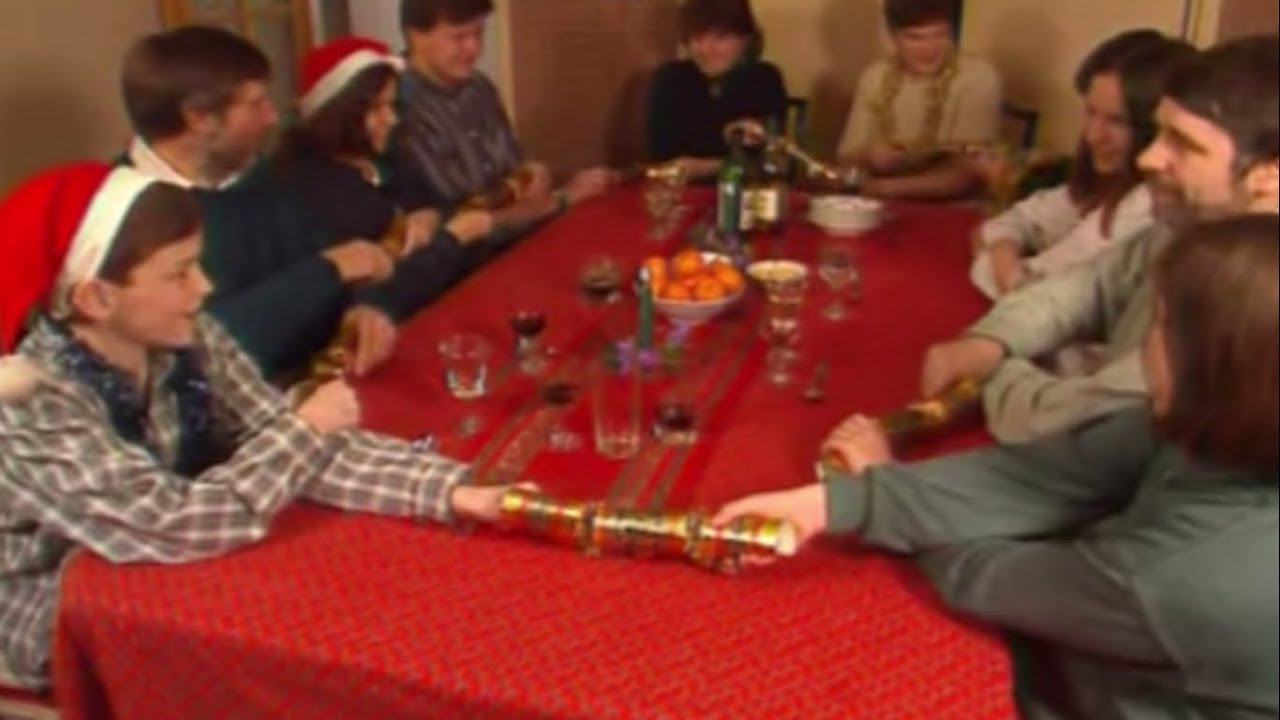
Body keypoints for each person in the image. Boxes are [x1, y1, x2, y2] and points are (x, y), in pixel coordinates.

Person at [716, 214, 1279, 720]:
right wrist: (831, 503)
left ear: (1212, 363)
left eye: (1158, 324)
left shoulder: (1190, 576)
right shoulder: (1214, 422)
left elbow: (986, 576)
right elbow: (1041, 476)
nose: (1144, 345)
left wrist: (875, 488)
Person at [0, 163, 522, 692]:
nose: (204, 288)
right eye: (179, 274)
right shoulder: (27, 402)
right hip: (58, 617)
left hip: (177, 561)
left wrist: (450, 490)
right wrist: (306, 429)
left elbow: (286, 443)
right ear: (96, 298)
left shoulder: (186, 336)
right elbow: (177, 524)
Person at [920, 34, 1279, 443]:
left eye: (1183, 144)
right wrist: (991, 340)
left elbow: (1068, 421)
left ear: (1271, 172)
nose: (1147, 158)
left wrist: (995, 370)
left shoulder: (1253, 299)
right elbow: (1085, 288)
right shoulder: (1185, 227)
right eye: (1157, 133)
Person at [119, 25, 399, 381]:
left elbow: (322, 268)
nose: (272, 116)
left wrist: (358, 312)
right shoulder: (125, 217)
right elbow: (196, 353)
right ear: (199, 118)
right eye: (256, 103)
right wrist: (328, 271)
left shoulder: (256, 175)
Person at [274, 37, 494, 324]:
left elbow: (435, 201)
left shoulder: (382, 154)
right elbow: (378, 293)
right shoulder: (311, 185)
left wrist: (429, 217)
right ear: (340, 112)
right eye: (377, 108)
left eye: (392, 105)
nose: (391, 119)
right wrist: (453, 239)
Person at [970, 30, 1192, 300]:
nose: (1093, 135)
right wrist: (1003, 249)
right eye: (1091, 112)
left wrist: (995, 257)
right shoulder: (1111, 178)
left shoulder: (1145, 207)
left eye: (1117, 121)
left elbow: (1031, 291)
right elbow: (1020, 219)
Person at [392, 0, 615, 225]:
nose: (476, 49)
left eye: (479, 33)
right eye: (459, 38)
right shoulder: (399, 107)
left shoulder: (479, 87)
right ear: (415, 36)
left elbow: (513, 169)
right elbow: (463, 219)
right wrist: (561, 199)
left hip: (521, 227)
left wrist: (533, 174)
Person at [835, 0, 1002, 201]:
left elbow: (969, 173)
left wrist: (887, 188)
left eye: (939, 35)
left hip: (953, 207)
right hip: (876, 202)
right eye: (915, 38)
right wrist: (869, 158)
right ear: (893, 37)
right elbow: (846, 160)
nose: (929, 49)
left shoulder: (977, 77)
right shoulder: (875, 77)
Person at [645, 0, 788, 179]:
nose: (705, 49)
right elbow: (661, 157)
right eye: (697, 38)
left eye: (720, 37)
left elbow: (772, 164)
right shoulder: (671, 78)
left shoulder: (765, 78)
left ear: (746, 39)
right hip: (682, 191)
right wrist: (728, 149)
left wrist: (709, 167)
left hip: (747, 192)